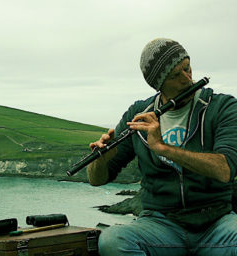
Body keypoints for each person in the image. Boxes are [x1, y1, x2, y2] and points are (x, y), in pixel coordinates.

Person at [87, 38, 237, 255]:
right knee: (112, 240)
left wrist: (164, 148)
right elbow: (97, 179)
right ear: (159, 83)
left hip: (216, 223)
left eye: (187, 68)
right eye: (176, 75)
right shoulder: (138, 114)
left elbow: (225, 169)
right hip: (161, 224)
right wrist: (99, 159)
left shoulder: (222, 107)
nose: (188, 78)